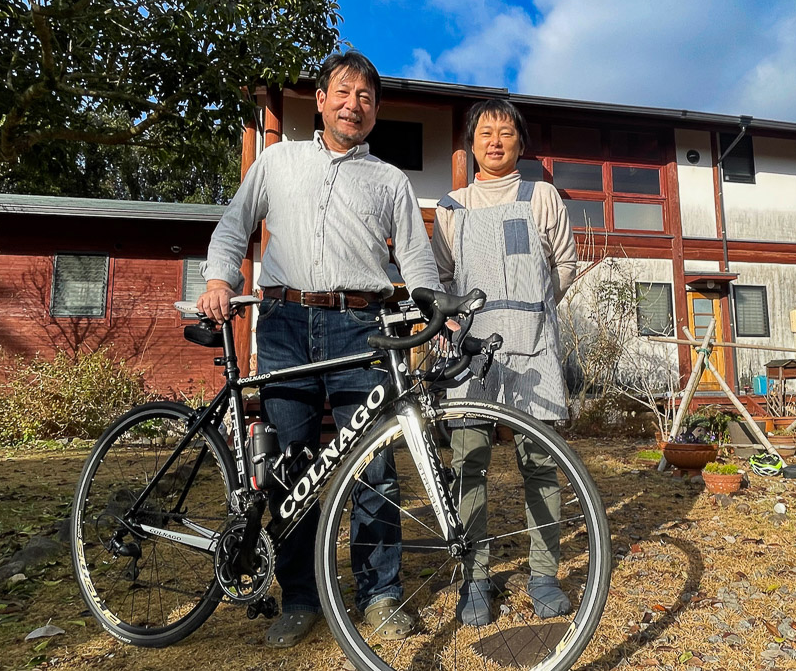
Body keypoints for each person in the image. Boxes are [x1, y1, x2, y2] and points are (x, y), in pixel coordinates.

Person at [198, 50, 440, 647]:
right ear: (322, 100)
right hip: (283, 323)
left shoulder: (389, 180)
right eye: (342, 92)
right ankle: (300, 596)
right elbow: (233, 226)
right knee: (290, 468)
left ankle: (380, 596)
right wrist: (218, 279)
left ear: (377, 111)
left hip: (363, 328)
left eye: (365, 97)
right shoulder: (277, 162)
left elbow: (414, 255)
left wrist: (435, 306)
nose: (352, 105)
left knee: (375, 468)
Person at [431, 98, 579, 626]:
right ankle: (475, 577)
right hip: (469, 351)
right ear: (471, 144)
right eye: (485, 133)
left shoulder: (541, 196)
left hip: (534, 347)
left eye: (506, 133)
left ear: (520, 143)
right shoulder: (452, 206)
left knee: (540, 465)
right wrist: (453, 328)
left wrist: (535, 315)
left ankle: (543, 575)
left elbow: (564, 262)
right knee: (469, 464)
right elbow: (442, 279)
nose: (495, 142)